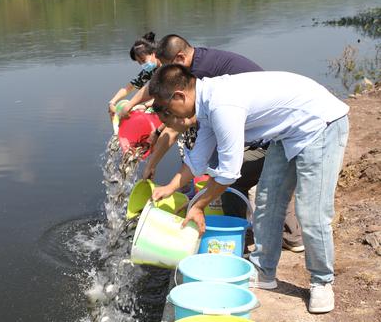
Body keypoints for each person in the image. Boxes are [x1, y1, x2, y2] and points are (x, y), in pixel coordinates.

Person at [149, 64, 349, 314]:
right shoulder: (207, 104)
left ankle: (322, 282)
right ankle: (264, 270)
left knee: (311, 213)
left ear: (179, 96)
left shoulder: (222, 105)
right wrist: (168, 188)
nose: (172, 118)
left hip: (320, 125)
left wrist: (199, 205)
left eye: (168, 110)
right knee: (266, 201)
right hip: (287, 133)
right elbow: (197, 159)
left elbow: (230, 172)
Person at [125, 34, 304, 252]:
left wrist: (195, 201)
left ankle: (258, 235)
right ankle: (241, 228)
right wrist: (171, 186)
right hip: (262, 125)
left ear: (179, 59)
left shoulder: (203, 83)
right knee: (221, 169)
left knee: (237, 176)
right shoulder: (199, 78)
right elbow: (190, 144)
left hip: (283, 130)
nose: (168, 76)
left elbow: (180, 131)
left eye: (168, 69)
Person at [107, 32, 160, 120]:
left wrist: (145, 105)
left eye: (143, 60)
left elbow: (167, 94)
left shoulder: (168, 68)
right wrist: (112, 102)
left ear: (153, 53)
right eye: (139, 63)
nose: (143, 65)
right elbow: (128, 88)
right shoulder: (150, 70)